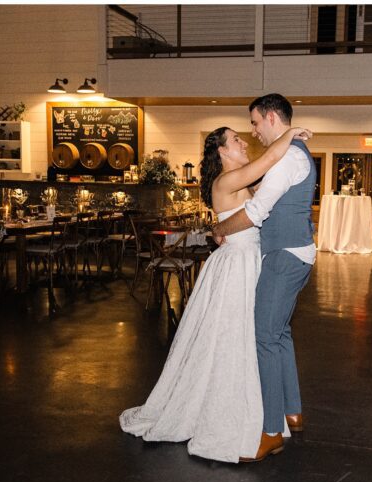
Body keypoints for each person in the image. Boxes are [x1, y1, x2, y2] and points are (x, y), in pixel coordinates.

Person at [119, 117, 312, 462]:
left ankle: (268, 409)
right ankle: (242, 413)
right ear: (222, 150)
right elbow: (268, 162)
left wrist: (218, 227)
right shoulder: (228, 180)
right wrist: (291, 134)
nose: (243, 142)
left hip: (252, 260)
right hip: (237, 266)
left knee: (254, 335)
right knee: (233, 337)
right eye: (235, 139)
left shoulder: (239, 179)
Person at [211, 93, 316, 462]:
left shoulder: (288, 157)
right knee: (280, 333)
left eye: (254, 122)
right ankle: (293, 410)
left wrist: (220, 227)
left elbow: (256, 212)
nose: (253, 131)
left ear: (271, 117)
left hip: (284, 257)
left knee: (266, 339)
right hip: (294, 254)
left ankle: (271, 432)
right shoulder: (293, 152)